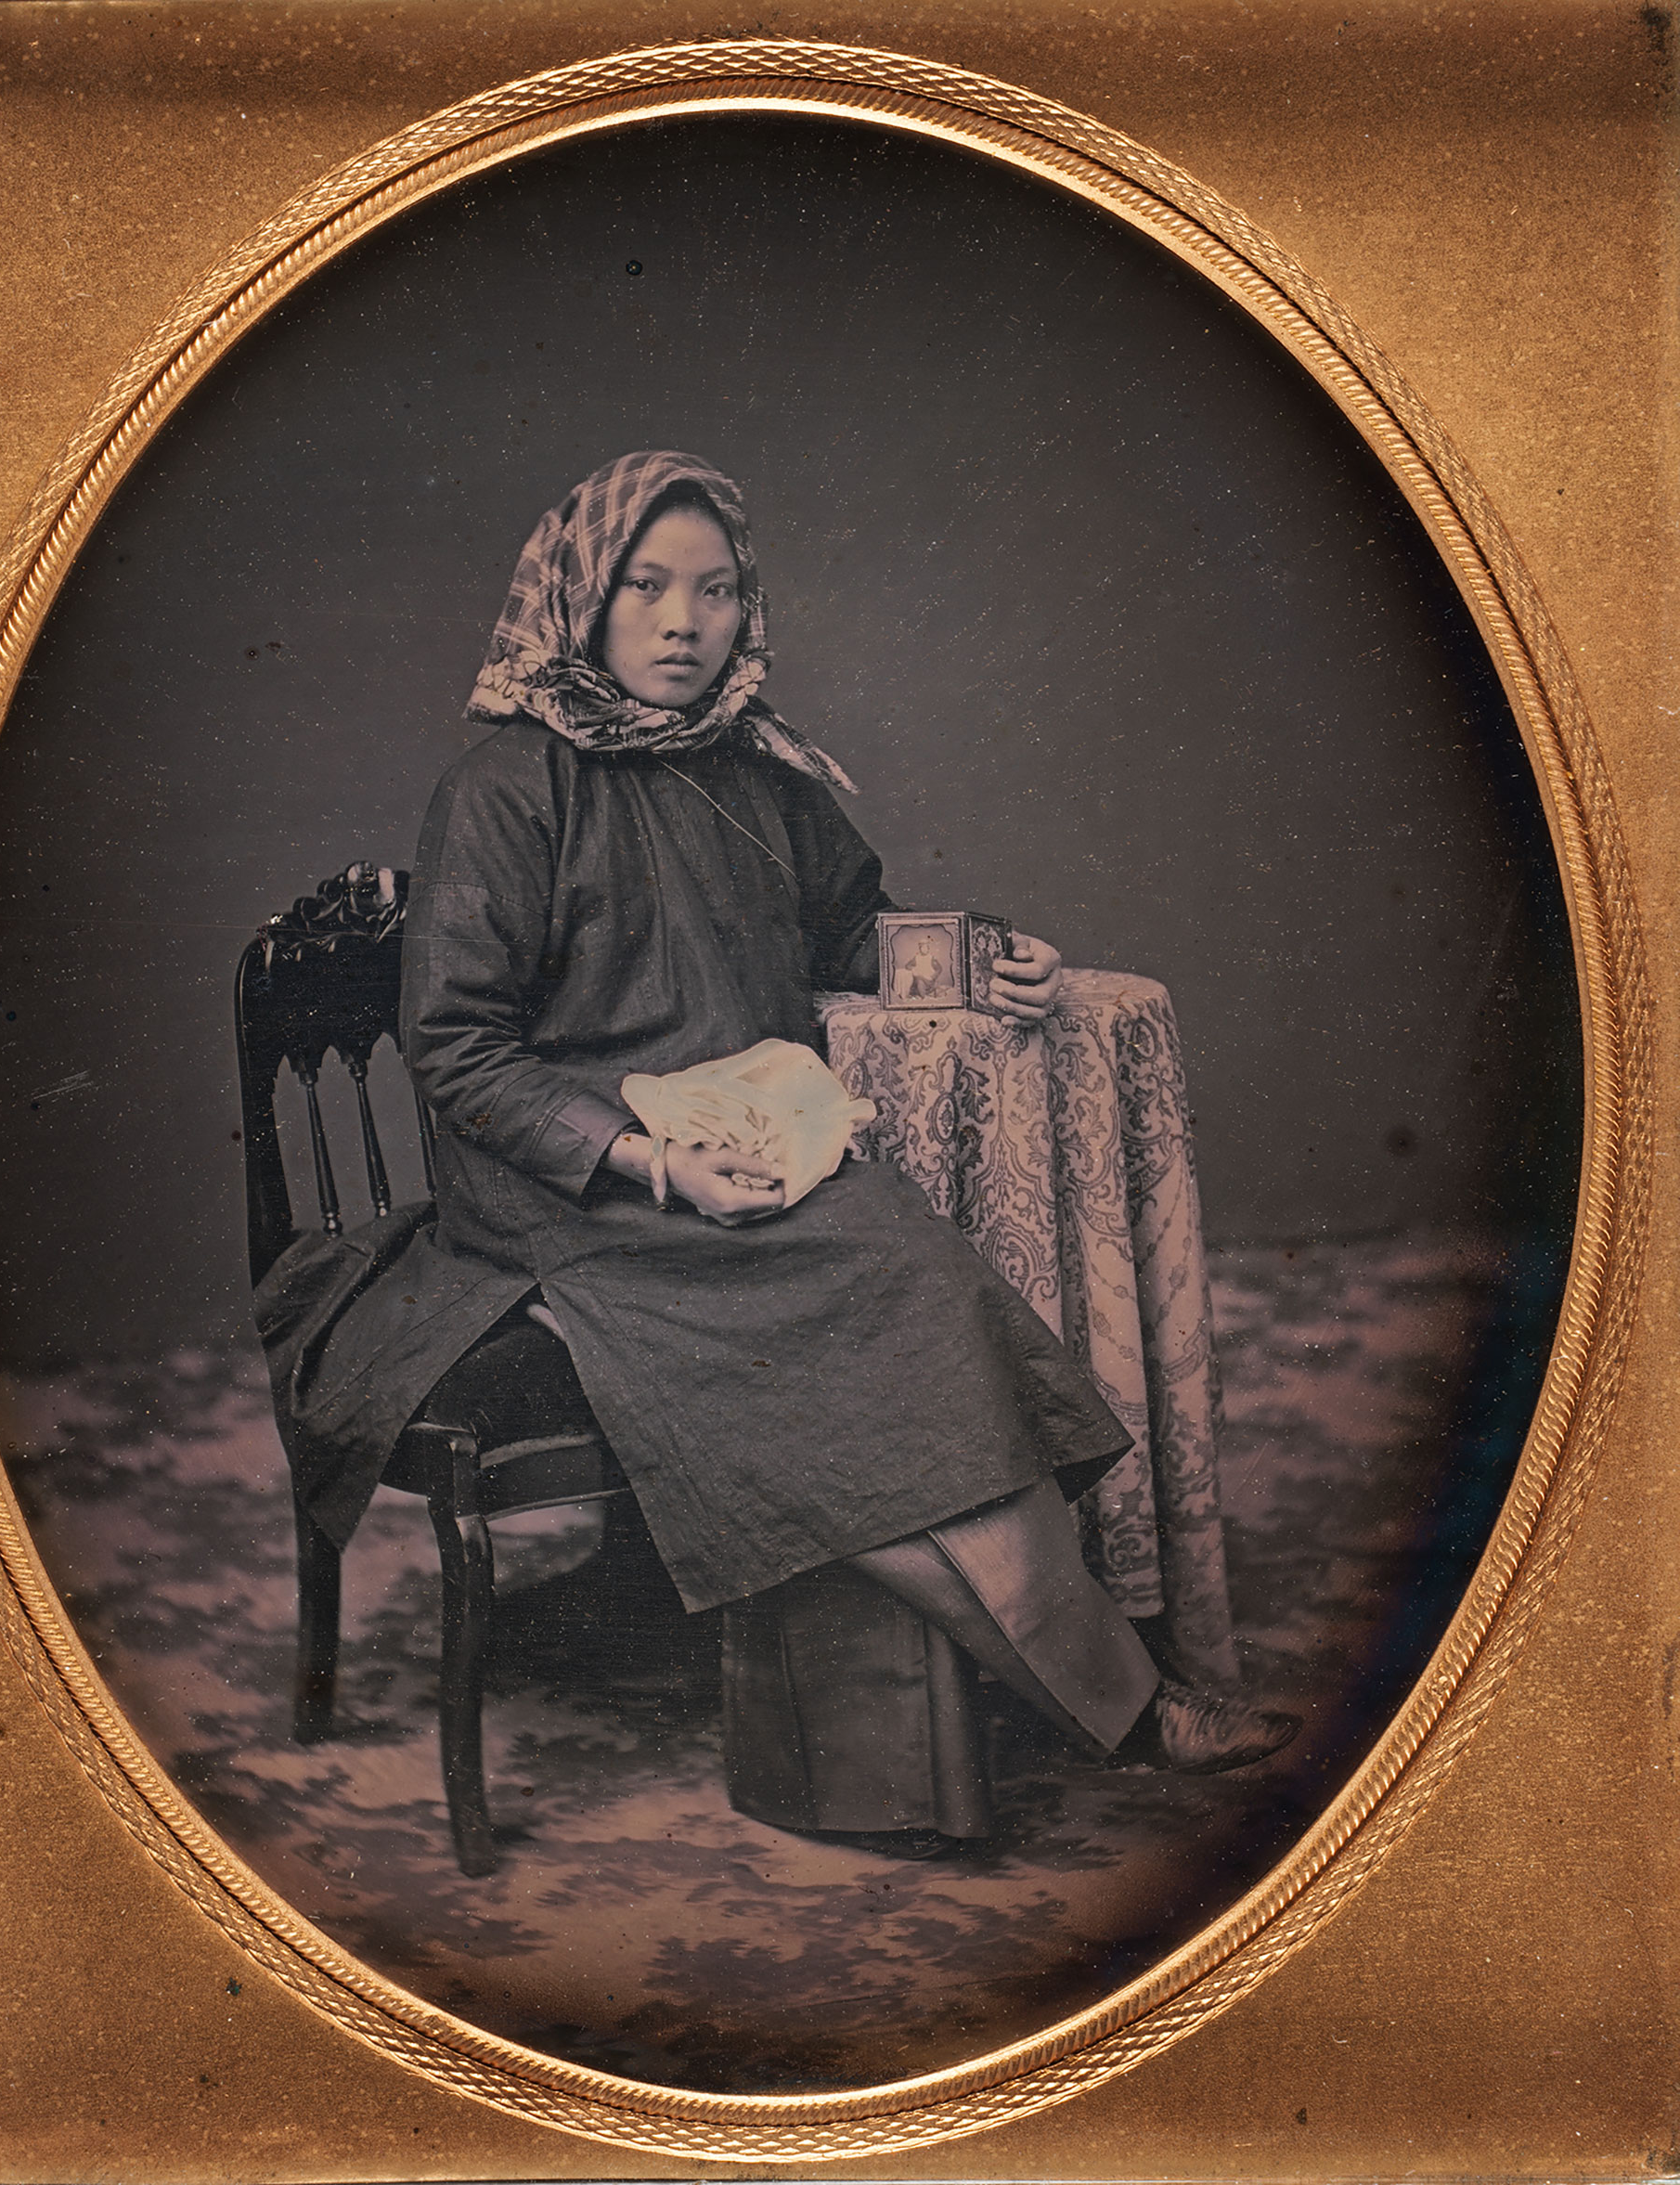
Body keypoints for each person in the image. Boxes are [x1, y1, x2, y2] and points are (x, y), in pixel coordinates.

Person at [281, 450, 1297, 1859]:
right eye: (646, 585)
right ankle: (1132, 1713)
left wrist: (989, 956)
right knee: (844, 1377)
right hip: (575, 1202)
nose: (681, 622)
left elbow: (856, 931)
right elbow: (457, 1056)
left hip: (749, 1162)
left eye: (713, 591)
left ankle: (1070, 1693)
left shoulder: (759, 773)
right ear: (580, 596)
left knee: (926, 1296)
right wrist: (649, 1163)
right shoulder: (505, 786)